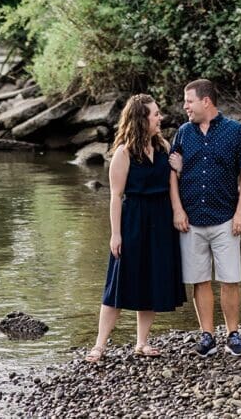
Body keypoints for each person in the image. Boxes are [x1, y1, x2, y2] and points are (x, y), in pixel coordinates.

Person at [86, 94, 187, 362]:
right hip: (133, 220)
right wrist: (115, 234)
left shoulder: (163, 146)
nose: (160, 117)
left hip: (161, 219)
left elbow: (172, 182)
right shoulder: (124, 152)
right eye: (155, 114)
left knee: (152, 281)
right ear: (141, 119)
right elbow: (116, 196)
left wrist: (179, 168)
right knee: (118, 284)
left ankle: (142, 342)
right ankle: (99, 345)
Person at [169, 79, 241, 357]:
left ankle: (233, 334)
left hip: (225, 218)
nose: (185, 107)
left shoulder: (236, 132)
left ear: (206, 101)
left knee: (230, 279)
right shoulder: (183, 133)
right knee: (200, 279)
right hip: (191, 218)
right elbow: (171, 172)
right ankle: (207, 336)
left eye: (189, 101)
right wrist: (177, 210)